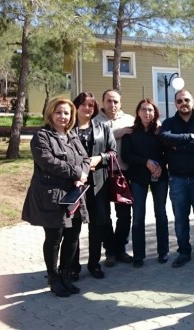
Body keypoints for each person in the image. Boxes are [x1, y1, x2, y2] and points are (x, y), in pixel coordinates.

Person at [22, 98, 91, 297]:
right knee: (54, 237)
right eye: (59, 112)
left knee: (73, 236)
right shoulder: (41, 137)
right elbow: (48, 162)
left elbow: (85, 159)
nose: (63, 116)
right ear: (51, 114)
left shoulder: (72, 135)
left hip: (74, 195)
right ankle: (53, 277)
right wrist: (76, 173)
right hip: (52, 196)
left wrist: (82, 174)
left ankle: (65, 274)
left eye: (67, 113)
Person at [159, 89, 194, 269]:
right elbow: (165, 138)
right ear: (175, 103)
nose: (184, 103)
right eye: (180, 100)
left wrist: (179, 146)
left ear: (192, 101)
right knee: (180, 218)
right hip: (177, 180)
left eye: (187, 100)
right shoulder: (168, 122)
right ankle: (184, 252)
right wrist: (188, 138)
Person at [71, 92, 116, 280]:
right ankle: (72, 266)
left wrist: (100, 158)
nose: (87, 108)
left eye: (91, 105)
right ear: (76, 106)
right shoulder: (67, 128)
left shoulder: (103, 126)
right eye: (84, 104)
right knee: (72, 227)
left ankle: (94, 263)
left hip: (98, 182)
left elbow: (112, 152)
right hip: (74, 183)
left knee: (97, 225)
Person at [121, 99, 169, 268]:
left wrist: (160, 166)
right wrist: (145, 162)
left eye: (150, 110)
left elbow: (167, 153)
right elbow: (126, 155)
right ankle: (139, 255)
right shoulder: (130, 133)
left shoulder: (160, 132)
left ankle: (163, 252)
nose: (147, 113)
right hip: (138, 178)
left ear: (155, 113)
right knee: (138, 217)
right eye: (143, 109)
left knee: (161, 215)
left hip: (159, 177)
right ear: (138, 112)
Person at [93, 89, 135, 267]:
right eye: (109, 101)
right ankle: (109, 250)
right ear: (103, 103)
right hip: (101, 173)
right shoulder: (94, 121)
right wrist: (119, 132)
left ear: (121, 102)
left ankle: (120, 248)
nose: (113, 105)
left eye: (116, 101)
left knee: (124, 215)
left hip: (123, 172)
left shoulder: (130, 120)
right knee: (104, 215)